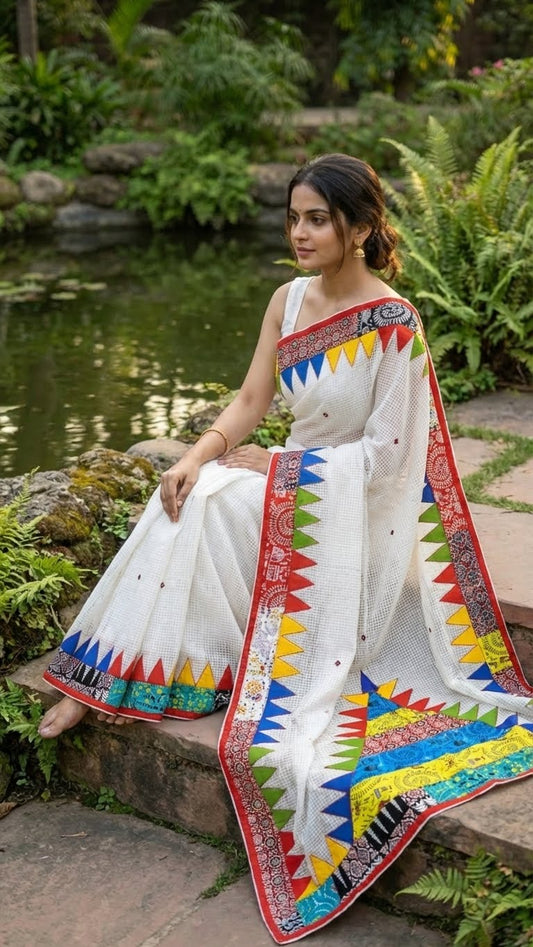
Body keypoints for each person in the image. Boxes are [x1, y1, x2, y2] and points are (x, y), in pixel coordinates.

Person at [39, 154, 533, 944]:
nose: (297, 233)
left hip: (352, 516)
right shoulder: (287, 301)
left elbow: (388, 458)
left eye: (314, 219)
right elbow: (249, 400)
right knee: (189, 491)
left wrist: (275, 467)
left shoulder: (390, 323)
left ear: (361, 229)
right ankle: (117, 677)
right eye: (292, 217)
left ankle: (116, 681)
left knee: (213, 500)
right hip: (297, 495)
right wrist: (198, 452)